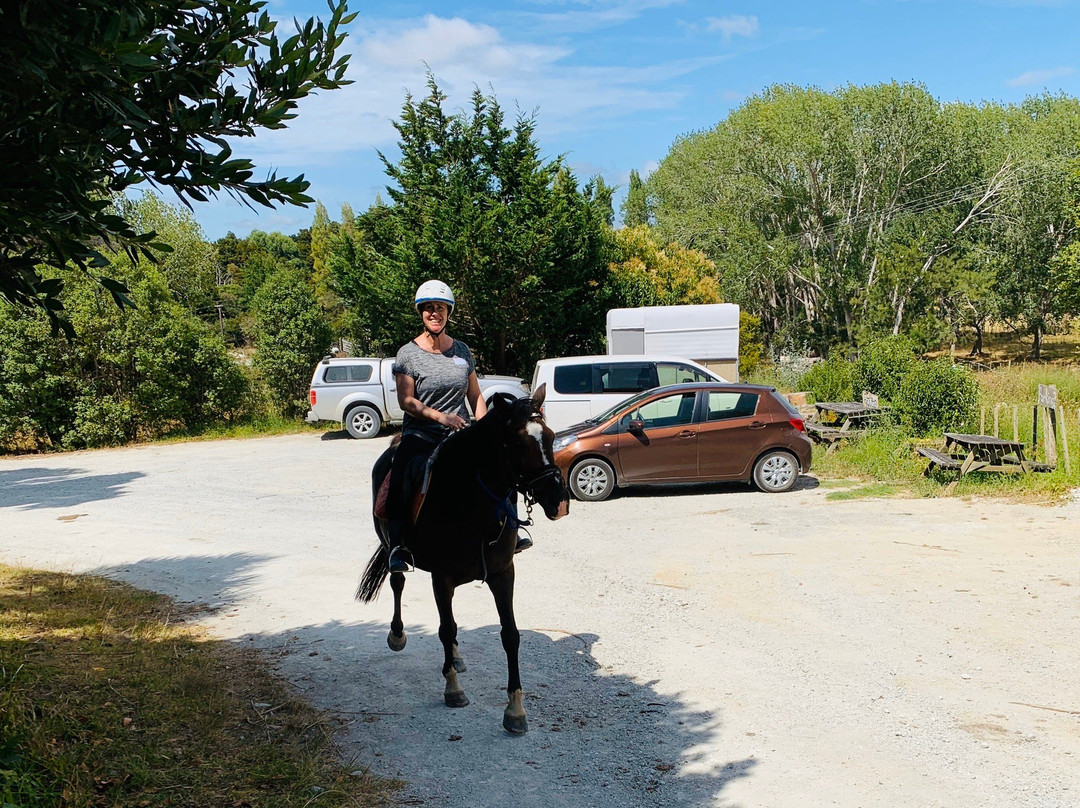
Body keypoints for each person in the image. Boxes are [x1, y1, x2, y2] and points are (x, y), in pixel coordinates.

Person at [385, 280, 488, 573]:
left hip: (459, 433)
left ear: (448, 312)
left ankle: (508, 531)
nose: (434, 313)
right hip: (421, 432)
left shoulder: (462, 351)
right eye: (428, 308)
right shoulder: (408, 353)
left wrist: (482, 425)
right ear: (421, 313)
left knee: (501, 464)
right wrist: (441, 417)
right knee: (402, 472)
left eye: (440, 308)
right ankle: (397, 546)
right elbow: (407, 401)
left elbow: (475, 395)